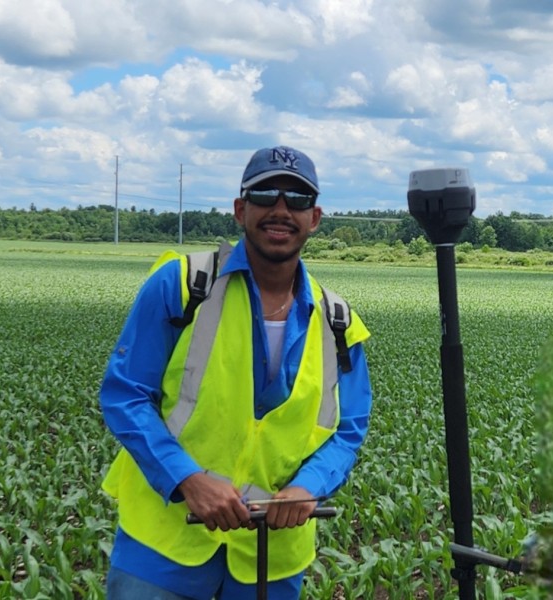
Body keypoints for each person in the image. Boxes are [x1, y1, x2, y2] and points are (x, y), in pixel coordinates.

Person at [100, 145, 373, 600]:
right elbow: (126, 395)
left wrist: (311, 486)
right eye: (266, 195)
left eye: (298, 200)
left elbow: (348, 428)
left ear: (316, 217)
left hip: (271, 557)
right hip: (164, 547)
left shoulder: (337, 321)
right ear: (240, 210)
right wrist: (187, 479)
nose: (281, 210)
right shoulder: (183, 285)